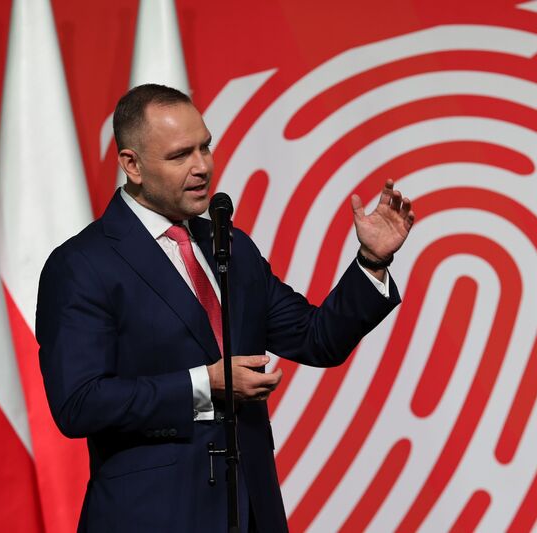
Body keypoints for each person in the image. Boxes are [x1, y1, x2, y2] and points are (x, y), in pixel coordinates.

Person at [36, 83, 415, 532]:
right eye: (180, 155)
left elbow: (317, 339)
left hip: (251, 512)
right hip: (152, 517)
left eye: (205, 147)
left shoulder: (231, 246)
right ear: (131, 164)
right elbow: (79, 403)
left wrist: (371, 261)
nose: (202, 167)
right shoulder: (82, 264)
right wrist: (205, 385)